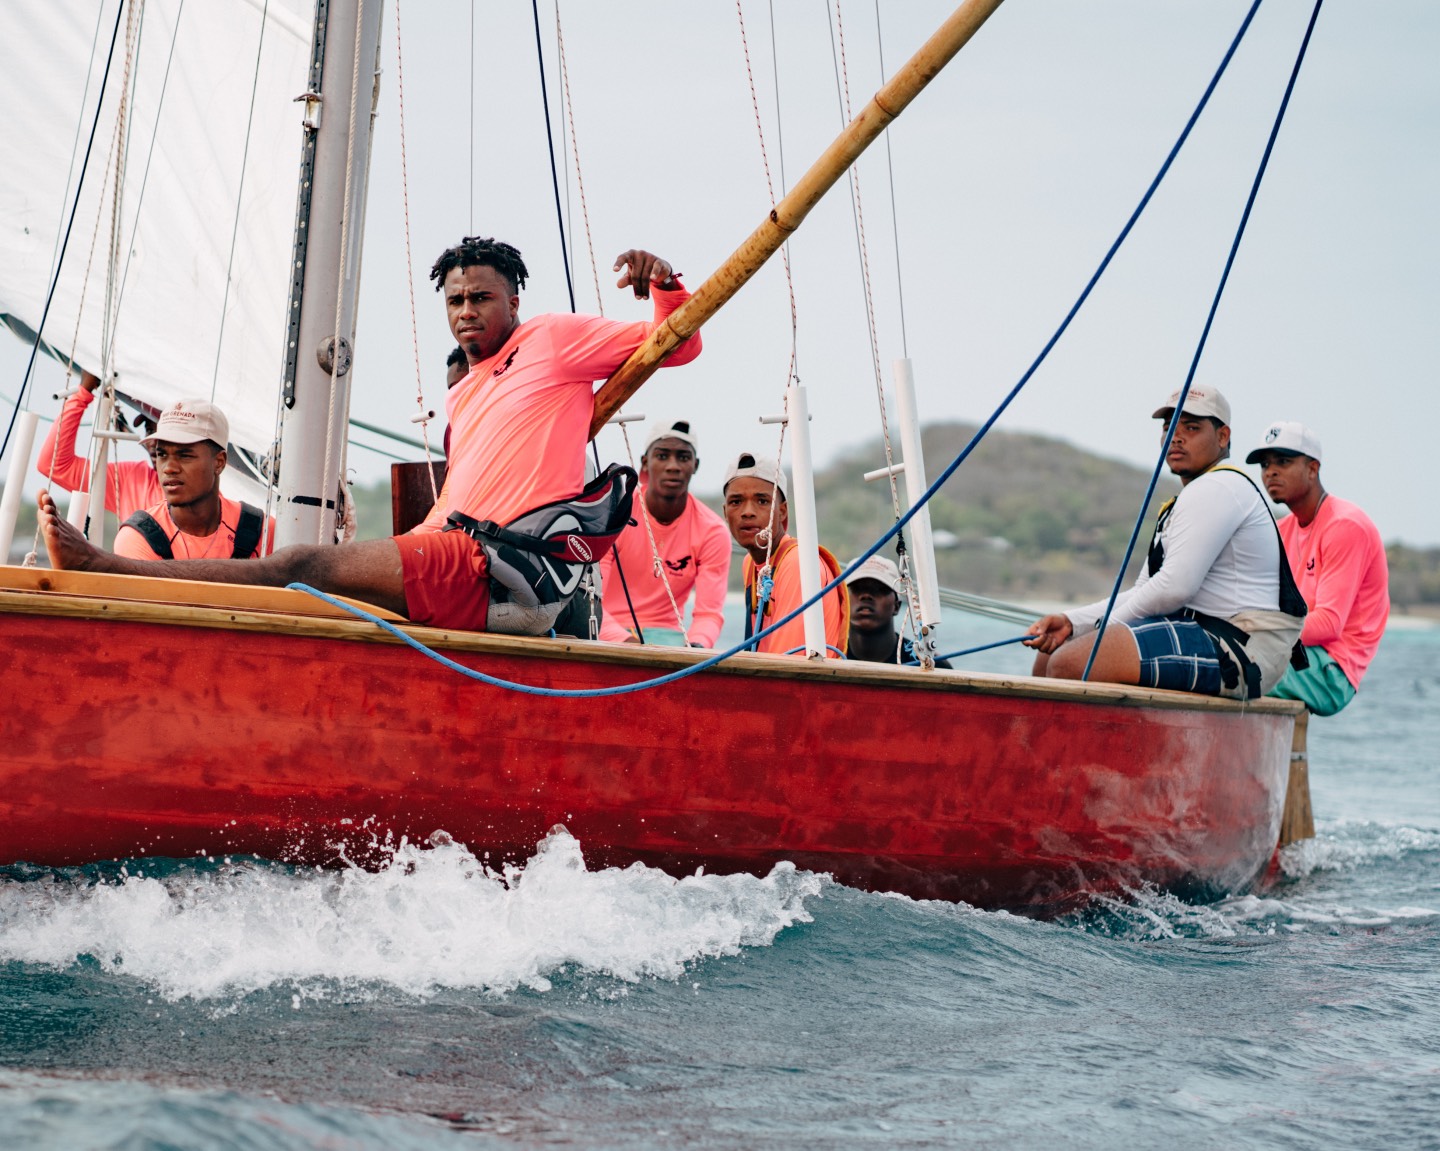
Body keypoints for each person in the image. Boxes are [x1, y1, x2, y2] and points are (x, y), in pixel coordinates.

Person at [38, 237, 702, 636]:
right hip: (457, 549)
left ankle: (107, 567)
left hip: (503, 569)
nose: (467, 312)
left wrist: (663, 284)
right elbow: (460, 495)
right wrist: (402, 547)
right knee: (319, 598)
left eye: (482, 298)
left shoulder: (552, 339)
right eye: (456, 301)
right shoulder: (465, 392)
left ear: (513, 302)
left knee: (302, 565)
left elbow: (679, 346)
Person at [1025, 386, 1304, 699]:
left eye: (1192, 427)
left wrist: (1100, 629)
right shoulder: (1190, 498)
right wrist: (1073, 623)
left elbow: (1174, 588)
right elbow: (1145, 588)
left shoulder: (1221, 487)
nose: (1176, 436)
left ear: (1223, 436)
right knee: (1051, 654)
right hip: (1205, 633)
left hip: (1242, 649)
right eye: (1168, 426)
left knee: (1070, 662)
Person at [1247, 421, 1389, 715]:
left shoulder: (1345, 525)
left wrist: (1253, 631)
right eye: (1265, 464)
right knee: (1207, 654)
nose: (1270, 471)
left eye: (1283, 462)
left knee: (1223, 668)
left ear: (1313, 468)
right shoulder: (1279, 531)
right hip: (1291, 653)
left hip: (1330, 671)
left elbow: (1328, 624)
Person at [597, 419, 731, 647]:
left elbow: (709, 614)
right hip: (608, 632)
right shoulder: (615, 513)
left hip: (668, 639)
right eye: (662, 456)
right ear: (645, 463)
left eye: (683, 457)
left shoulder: (712, 531)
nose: (673, 466)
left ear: (695, 465)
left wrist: (696, 648)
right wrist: (628, 644)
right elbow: (592, 602)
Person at [722, 451, 848, 658]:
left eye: (762, 501)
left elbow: (785, 666)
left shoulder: (798, 564)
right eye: (736, 502)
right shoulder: (751, 564)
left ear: (782, 512)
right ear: (725, 512)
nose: (747, 512)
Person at [113, 400, 274, 560]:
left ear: (219, 462)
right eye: (162, 454)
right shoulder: (137, 538)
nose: (169, 468)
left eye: (184, 455)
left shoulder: (263, 531)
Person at [36, 368, 161, 521]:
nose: (154, 442)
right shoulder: (134, 479)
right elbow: (54, 465)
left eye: (164, 431)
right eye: (149, 430)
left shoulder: (198, 487)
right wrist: (82, 393)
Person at [845, 555, 952, 669]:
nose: (866, 596)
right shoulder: (827, 657)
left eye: (878, 589)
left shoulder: (932, 666)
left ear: (896, 606)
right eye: (857, 588)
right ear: (843, 601)